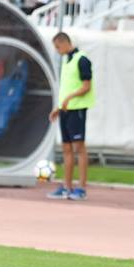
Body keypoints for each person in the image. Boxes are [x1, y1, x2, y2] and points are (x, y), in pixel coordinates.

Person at [47, 33, 94, 201]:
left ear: (65, 43)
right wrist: (58, 107)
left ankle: (81, 188)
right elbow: (66, 87)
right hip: (66, 110)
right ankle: (67, 187)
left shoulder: (82, 60)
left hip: (77, 109)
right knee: (66, 149)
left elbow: (86, 86)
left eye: (58, 47)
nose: (57, 51)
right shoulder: (67, 61)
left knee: (79, 149)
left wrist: (70, 98)